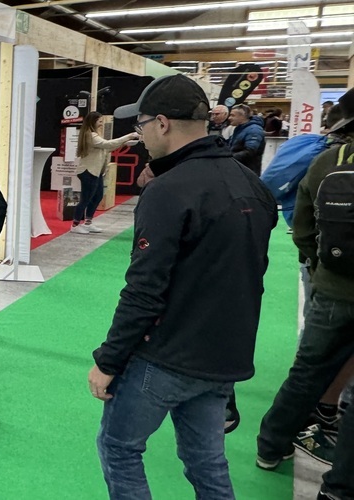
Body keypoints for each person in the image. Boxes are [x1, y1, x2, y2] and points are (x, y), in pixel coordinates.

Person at [89, 74, 277, 499]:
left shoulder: (168, 191)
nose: (139, 137)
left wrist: (108, 360)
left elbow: (143, 289)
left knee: (119, 448)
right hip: (223, 360)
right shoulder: (254, 186)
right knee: (207, 463)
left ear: (162, 123)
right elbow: (253, 276)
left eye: (140, 126)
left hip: (167, 356)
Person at [256, 87, 354, 500]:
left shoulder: (328, 161)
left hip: (331, 286)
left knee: (307, 370)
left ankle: (271, 445)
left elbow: (302, 226)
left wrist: (319, 266)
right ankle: (340, 487)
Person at [71, 111, 138, 234]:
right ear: (93, 122)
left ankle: (88, 222)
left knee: (98, 196)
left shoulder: (94, 135)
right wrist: (128, 136)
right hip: (88, 171)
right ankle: (75, 225)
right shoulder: (90, 135)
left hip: (96, 172)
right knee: (86, 199)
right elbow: (107, 144)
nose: (101, 124)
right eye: (100, 121)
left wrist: (124, 143)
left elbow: (106, 148)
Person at [228, 104, 266, 175]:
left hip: (247, 173)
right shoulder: (240, 129)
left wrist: (229, 158)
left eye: (232, 115)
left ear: (242, 116)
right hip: (239, 170)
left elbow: (250, 151)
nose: (229, 118)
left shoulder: (254, 130)